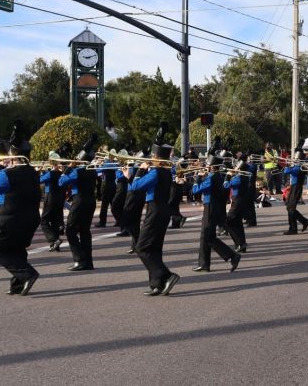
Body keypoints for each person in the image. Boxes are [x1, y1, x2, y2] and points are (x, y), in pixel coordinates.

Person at [0, 121, 41, 295]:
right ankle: (17, 285)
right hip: (29, 219)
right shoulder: (33, 172)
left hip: (9, 219)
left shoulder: (8, 174)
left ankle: (27, 274)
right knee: (17, 249)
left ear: (13, 156)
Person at [125, 126, 180, 296]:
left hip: (155, 210)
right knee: (154, 248)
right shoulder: (165, 171)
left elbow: (135, 187)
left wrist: (138, 171)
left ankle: (167, 275)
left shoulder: (156, 172)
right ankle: (157, 284)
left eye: (153, 156)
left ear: (156, 157)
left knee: (141, 247)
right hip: (162, 211)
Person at [191, 153, 241, 272]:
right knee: (205, 236)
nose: (206, 166)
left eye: (208, 164)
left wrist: (197, 177)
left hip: (210, 208)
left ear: (213, 166)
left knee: (208, 237)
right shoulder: (217, 176)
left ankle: (232, 256)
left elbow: (195, 190)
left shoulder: (211, 177)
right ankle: (204, 264)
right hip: (214, 207)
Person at [58, 137, 99, 271]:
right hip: (90, 201)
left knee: (70, 230)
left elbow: (61, 182)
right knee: (85, 231)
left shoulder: (77, 171)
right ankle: (88, 261)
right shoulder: (92, 170)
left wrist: (68, 168)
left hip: (80, 201)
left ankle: (79, 260)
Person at [38, 153, 66, 252]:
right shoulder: (61, 174)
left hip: (50, 199)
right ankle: (54, 244)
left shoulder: (50, 174)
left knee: (43, 221)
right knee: (54, 221)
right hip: (60, 199)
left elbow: (39, 180)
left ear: (51, 163)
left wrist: (39, 171)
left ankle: (54, 239)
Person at [223, 153, 250, 252]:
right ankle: (242, 245)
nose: (235, 167)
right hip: (241, 201)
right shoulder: (245, 177)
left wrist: (228, 176)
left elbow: (225, 185)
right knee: (238, 223)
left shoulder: (238, 178)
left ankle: (240, 243)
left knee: (228, 222)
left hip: (237, 202)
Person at [283, 145, 308, 235]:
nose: (294, 157)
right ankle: (300, 223)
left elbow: (287, 171)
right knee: (289, 206)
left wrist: (287, 164)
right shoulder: (297, 165)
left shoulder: (299, 167)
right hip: (294, 187)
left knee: (290, 208)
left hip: (296, 188)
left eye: (295, 156)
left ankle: (296, 227)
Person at [96, 148, 117, 228]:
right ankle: (119, 220)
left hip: (106, 185)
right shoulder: (115, 163)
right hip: (113, 186)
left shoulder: (107, 163)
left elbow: (97, 171)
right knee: (113, 204)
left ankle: (102, 222)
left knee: (104, 205)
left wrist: (98, 164)